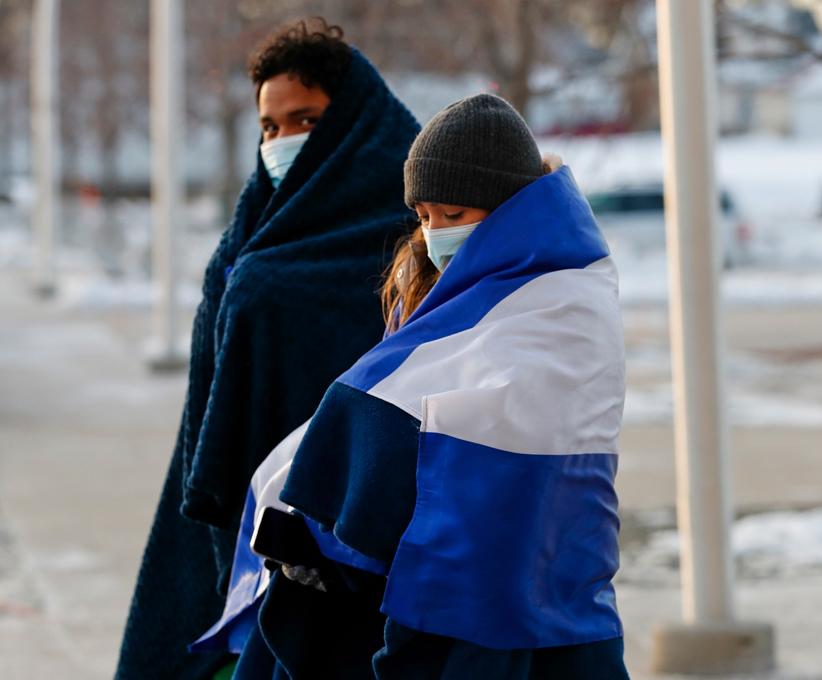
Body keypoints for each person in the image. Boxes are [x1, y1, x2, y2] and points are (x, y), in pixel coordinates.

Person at [194, 94, 630, 679]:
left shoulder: (565, 296)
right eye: (423, 216)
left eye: (452, 214)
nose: (433, 234)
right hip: (459, 563)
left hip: (537, 556)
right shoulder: (436, 286)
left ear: (508, 209)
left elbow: (452, 407)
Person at [115, 19, 420, 680]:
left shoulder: (406, 228)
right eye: (270, 127)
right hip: (232, 503)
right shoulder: (259, 221)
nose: (282, 143)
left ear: (351, 125)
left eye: (304, 120)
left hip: (341, 523)